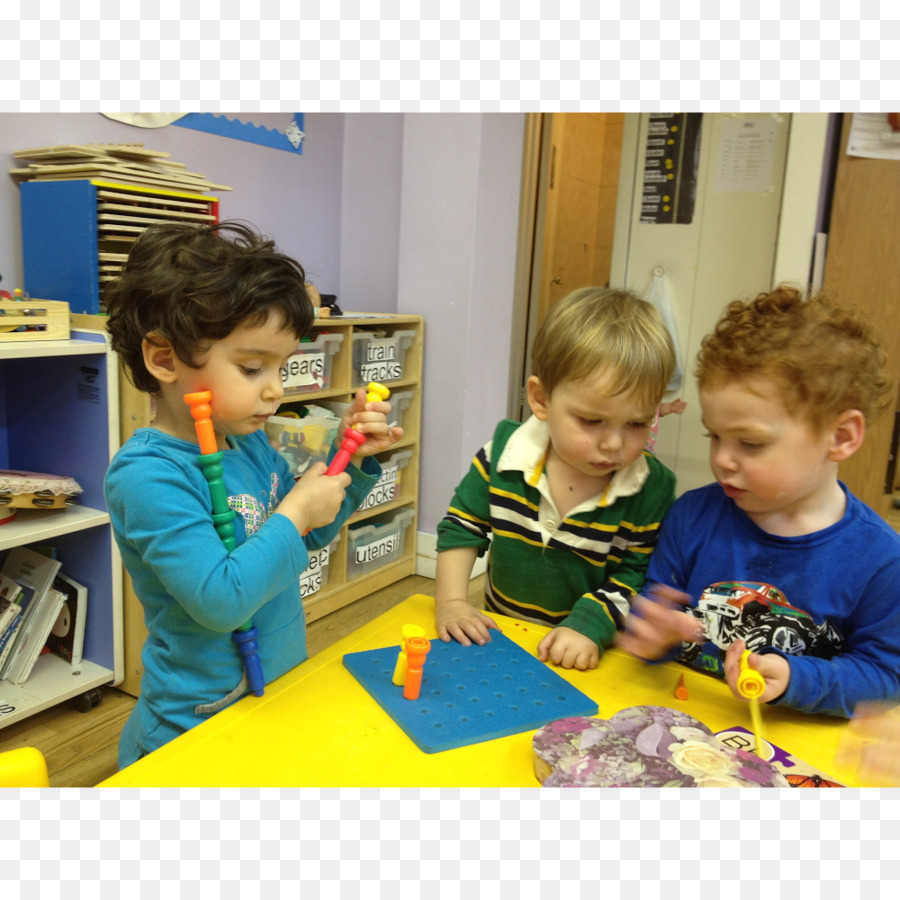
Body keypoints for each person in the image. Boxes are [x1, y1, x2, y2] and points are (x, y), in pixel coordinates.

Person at [104, 221, 402, 767]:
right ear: (165, 358)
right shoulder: (147, 475)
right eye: (251, 367)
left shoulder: (247, 443)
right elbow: (220, 601)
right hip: (195, 724)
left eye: (282, 367)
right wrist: (294, 512)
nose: (276, 389)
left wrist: (349, 463)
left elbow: (306, 539)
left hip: (274, 691)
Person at [617, 285, 900, 719]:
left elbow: (885, 679)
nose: (722, 460)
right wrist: (655, 633)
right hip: (682, 726)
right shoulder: (692, 515)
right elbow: (655, 606)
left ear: (840, 437)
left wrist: (797, 678)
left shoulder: (880, 561)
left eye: (750, 443)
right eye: (714, 436)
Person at [434, 286, 678, 670]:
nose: (614, 444)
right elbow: (462, 527)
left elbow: (637, 574)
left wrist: (587, 627)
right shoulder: (502, 455)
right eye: (592, 421)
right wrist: (451, 603)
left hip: (589, 654)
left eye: (637, 423)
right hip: (502, 640)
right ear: (542, 399)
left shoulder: (652, 488)